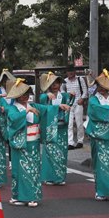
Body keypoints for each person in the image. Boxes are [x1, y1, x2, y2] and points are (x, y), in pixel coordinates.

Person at [7, 79, 70, 207]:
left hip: (33, 143)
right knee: (21, 171)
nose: (25, 96)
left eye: (27, 94)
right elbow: (13, 120)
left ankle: (31, 196)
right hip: (21, 144)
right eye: (22, 94)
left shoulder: (34, 106)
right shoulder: (13, 108)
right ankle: (19, 196)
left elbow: (47, 109)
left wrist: (58, 106)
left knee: (33, 169)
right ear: (17, 96)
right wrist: (25, 112)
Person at [85, 69, 109, 203]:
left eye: (104, 85)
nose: (102, 88)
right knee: (100, 162)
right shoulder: (94, 100)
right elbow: (94, 111)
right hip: (100, 134)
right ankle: (100, 191)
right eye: (99, 85)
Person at [39, 72, 72, 186]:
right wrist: (56, 106)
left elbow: (70, 103)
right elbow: (42, 108)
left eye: (57, 83)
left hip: (61, 126)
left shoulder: (63, 96)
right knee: (50, 152)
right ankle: (49, 177)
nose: (55, 85)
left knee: (61, 151)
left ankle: (60, 177)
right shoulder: (45, 96)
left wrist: (71, 96)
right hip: (50, 128)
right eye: (53, 83)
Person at [63, 64, 87, 150]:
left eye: (72, 71)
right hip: (68, 105)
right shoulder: (64, 81)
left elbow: (85, 91)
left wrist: (82, 98)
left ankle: (80, 141)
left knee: (79, 123)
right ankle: (70, 142)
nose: (70, 73)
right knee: (69, 124)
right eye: (68, 71)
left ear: (75, 71)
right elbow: (62, 92)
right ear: (66, 72)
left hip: (78, 104)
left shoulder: (80, 80)